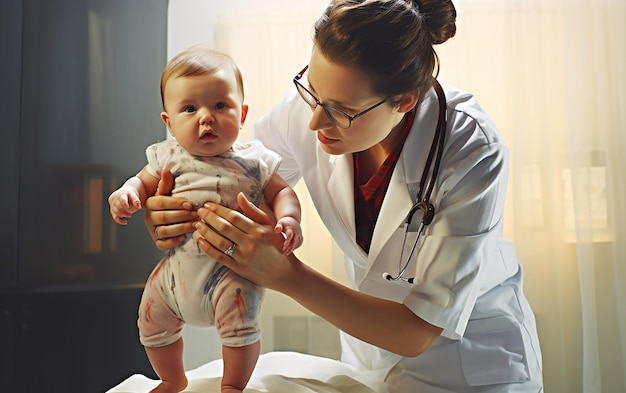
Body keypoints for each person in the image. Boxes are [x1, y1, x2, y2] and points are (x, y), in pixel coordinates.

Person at [143, 1, 544, 392]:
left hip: (466, 367)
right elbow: (228, 179)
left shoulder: (471, 148)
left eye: (342, 110)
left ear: (404, 101)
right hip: (369, 356)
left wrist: (287, 275)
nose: (315, 119)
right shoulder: (310, 108)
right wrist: (169, 213)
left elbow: (418, 330)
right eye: (311, 91)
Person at [108, 46, 303, 393]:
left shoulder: (255, 159)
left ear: (241, 114)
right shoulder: (167, 156)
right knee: (151, 322)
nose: (206, 117)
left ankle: (232, 385)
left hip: (233, 272)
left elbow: (282, 192)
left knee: (240, 327)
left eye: (220, 106)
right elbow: (141, 182)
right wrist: (127, 193)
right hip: (174, 274)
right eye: (189, 108)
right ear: (168, 122)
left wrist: (289, 219)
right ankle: (172, 378)